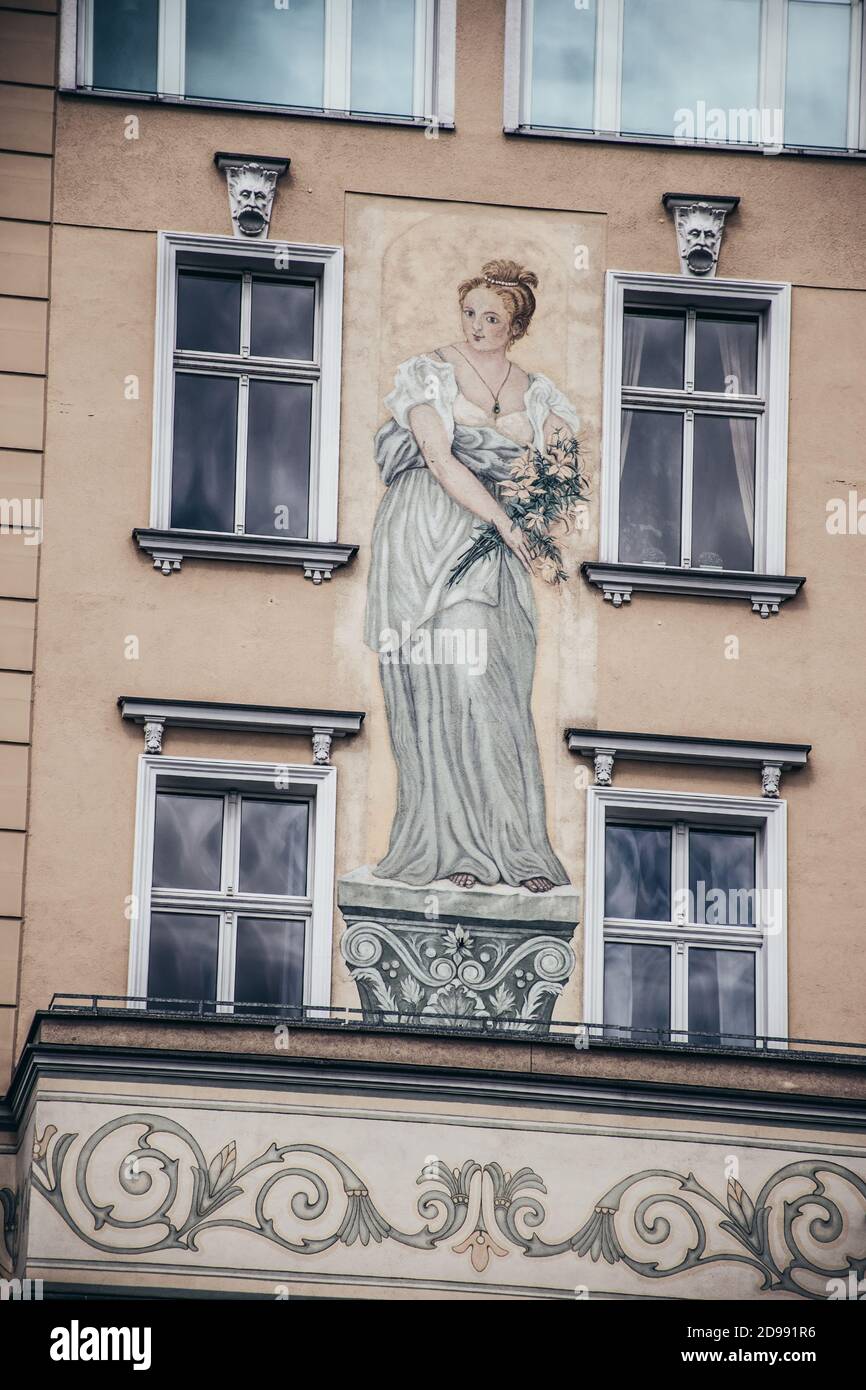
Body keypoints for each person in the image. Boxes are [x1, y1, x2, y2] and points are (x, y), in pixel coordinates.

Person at [364, 259, 578, 892]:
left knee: (495, 688)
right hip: (429, 533)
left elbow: (560, 475)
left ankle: (510, 849)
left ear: (516, 326)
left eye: (494, 317)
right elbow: (437, 456)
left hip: (495, 548)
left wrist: (538, 508)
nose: (479, 326)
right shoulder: (427, 372)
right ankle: (451, 846)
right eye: (472, 313)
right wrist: (510, 526)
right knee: (450, 681)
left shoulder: (538, 394)